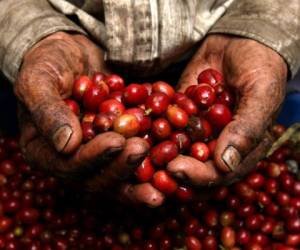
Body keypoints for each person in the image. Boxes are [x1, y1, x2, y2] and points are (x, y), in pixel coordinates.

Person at [0, 0, 299, 207]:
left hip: (229, 41)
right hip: (62, 46)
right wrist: (27, 30)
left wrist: (265, 25)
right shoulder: (154, 113)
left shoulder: (174, 111)